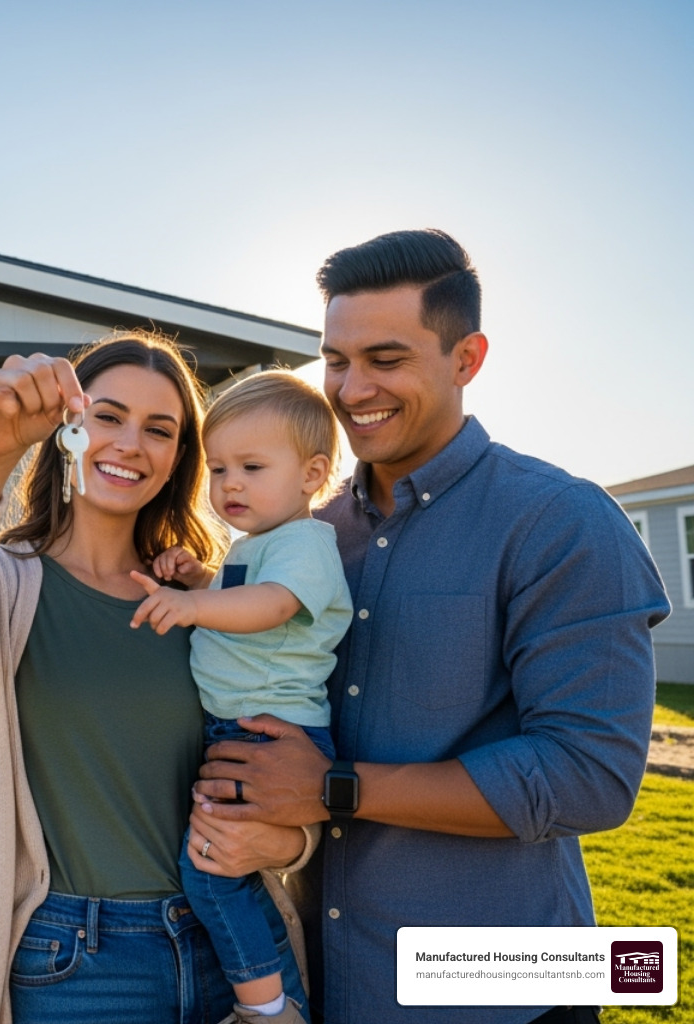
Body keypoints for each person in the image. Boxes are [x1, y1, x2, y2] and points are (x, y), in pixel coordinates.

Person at [189, 230, 671, 1024]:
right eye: (336, 361)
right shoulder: (308, 536)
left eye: (385, 359)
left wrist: (336, 788)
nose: (352, 390)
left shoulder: (560, 521)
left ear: (466, 359)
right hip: (328, 986)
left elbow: (590, 776)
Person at [0, 332, 316, 1024]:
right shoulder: (6, 582)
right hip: (79, 965)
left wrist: (294, 843)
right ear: (68, 430)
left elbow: (285, 745)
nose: (130, 444)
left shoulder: (211, 596)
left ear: (179, 458)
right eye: (108, 416)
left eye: (160, 430)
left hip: (233, 947)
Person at [133, 370, 352, 1024]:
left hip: (266, 734)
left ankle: (266, 1008)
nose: (229, 484)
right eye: (219, 468)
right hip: (241, 729)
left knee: (210, 874)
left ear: (313, 474)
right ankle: (273, 994)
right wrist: (199, 576)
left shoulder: (306, 543)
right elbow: (242, 594)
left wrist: (192, 605)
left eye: (252, 467)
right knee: (224, 867)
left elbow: (272, 605)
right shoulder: (257, 544)